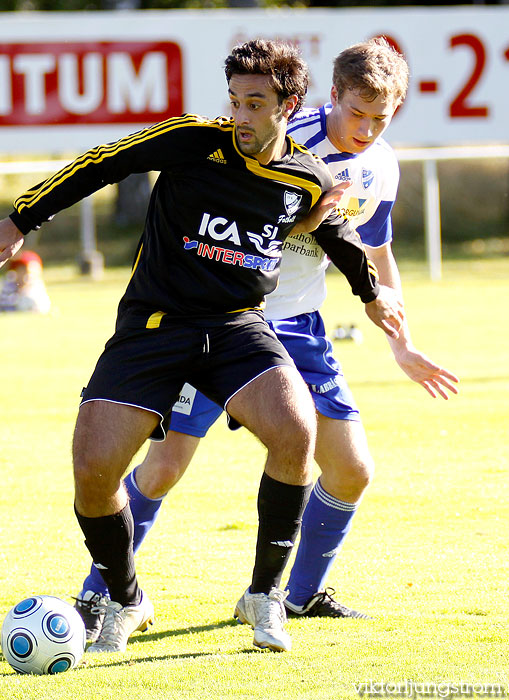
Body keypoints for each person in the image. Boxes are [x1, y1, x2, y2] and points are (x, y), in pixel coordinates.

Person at [0, 39, 403, 654]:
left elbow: (332, 231)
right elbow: (103, 161)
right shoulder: (191, 137)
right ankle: (124, 598)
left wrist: (371, 292)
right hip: (154, 324)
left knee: (294, 431)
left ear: (289, 104)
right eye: (235, 100)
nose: (240, 115)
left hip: (236, 327)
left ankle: (265, 596)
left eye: (255, 103)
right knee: (94, 473)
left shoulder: (307, 174)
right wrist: (19, 220)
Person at [74, 37, 459, 635]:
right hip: (229, 320)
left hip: (301, 327)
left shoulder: (381, 164)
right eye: (355, 113)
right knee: (165, 465)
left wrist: (400, 338)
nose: (364, 128)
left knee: (352, 469)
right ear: (330, 97)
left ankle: (295, 597)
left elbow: (372, 249)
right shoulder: (282, 133)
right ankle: (100, 594)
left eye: (380, 118)